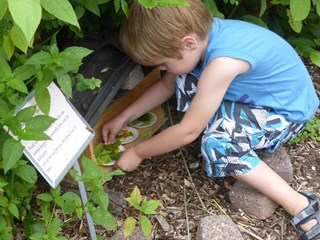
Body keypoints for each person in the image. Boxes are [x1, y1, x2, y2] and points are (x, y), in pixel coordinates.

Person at [101, 0, 320, 239]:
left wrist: (138, 153)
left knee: (218, 144)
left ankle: (299, 204)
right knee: (182, 78)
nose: (162, 68)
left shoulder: (222, 64)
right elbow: (167, 84)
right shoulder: (201, 38)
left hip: (285, 114)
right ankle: (214, 118)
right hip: (256, 98)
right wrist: (124, 116)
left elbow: (187, 133)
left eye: (163, 63)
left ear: (188, 42)